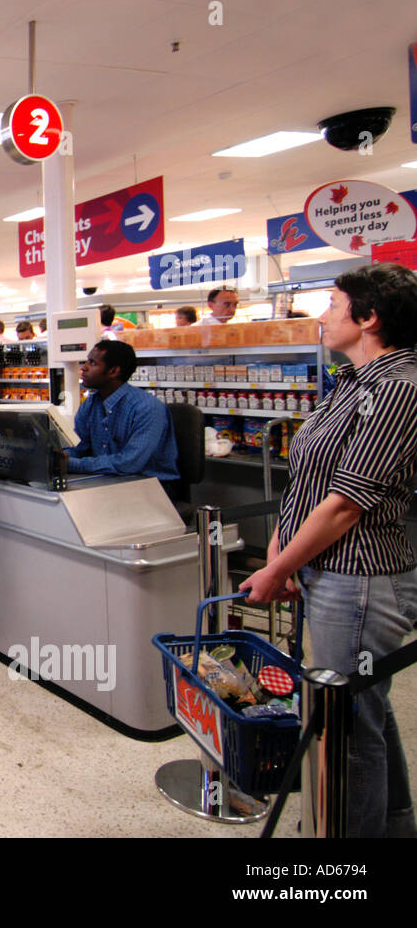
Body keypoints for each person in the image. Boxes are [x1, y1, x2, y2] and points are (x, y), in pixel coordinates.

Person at [242, 263, 417, 838]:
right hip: (327, 567)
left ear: (369, 318)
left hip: (359, 577)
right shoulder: (356, 382)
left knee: (347, 723)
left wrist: (279, 567)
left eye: (332, 306)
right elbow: (313, 482)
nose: (319, 317)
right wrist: (281, 549)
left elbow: (347, 503)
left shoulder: (397, 389)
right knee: (364, 708)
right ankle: (391, 822)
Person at [63, 340, 179, 483]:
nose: (84, 368)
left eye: (92, 363)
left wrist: (72, 464)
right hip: (108, 480)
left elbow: (130, 463)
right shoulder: (90, 405)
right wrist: (59, 457)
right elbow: (78, 447)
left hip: (151, 486)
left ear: (113, 371)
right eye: (86, 361)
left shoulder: (147, 408)